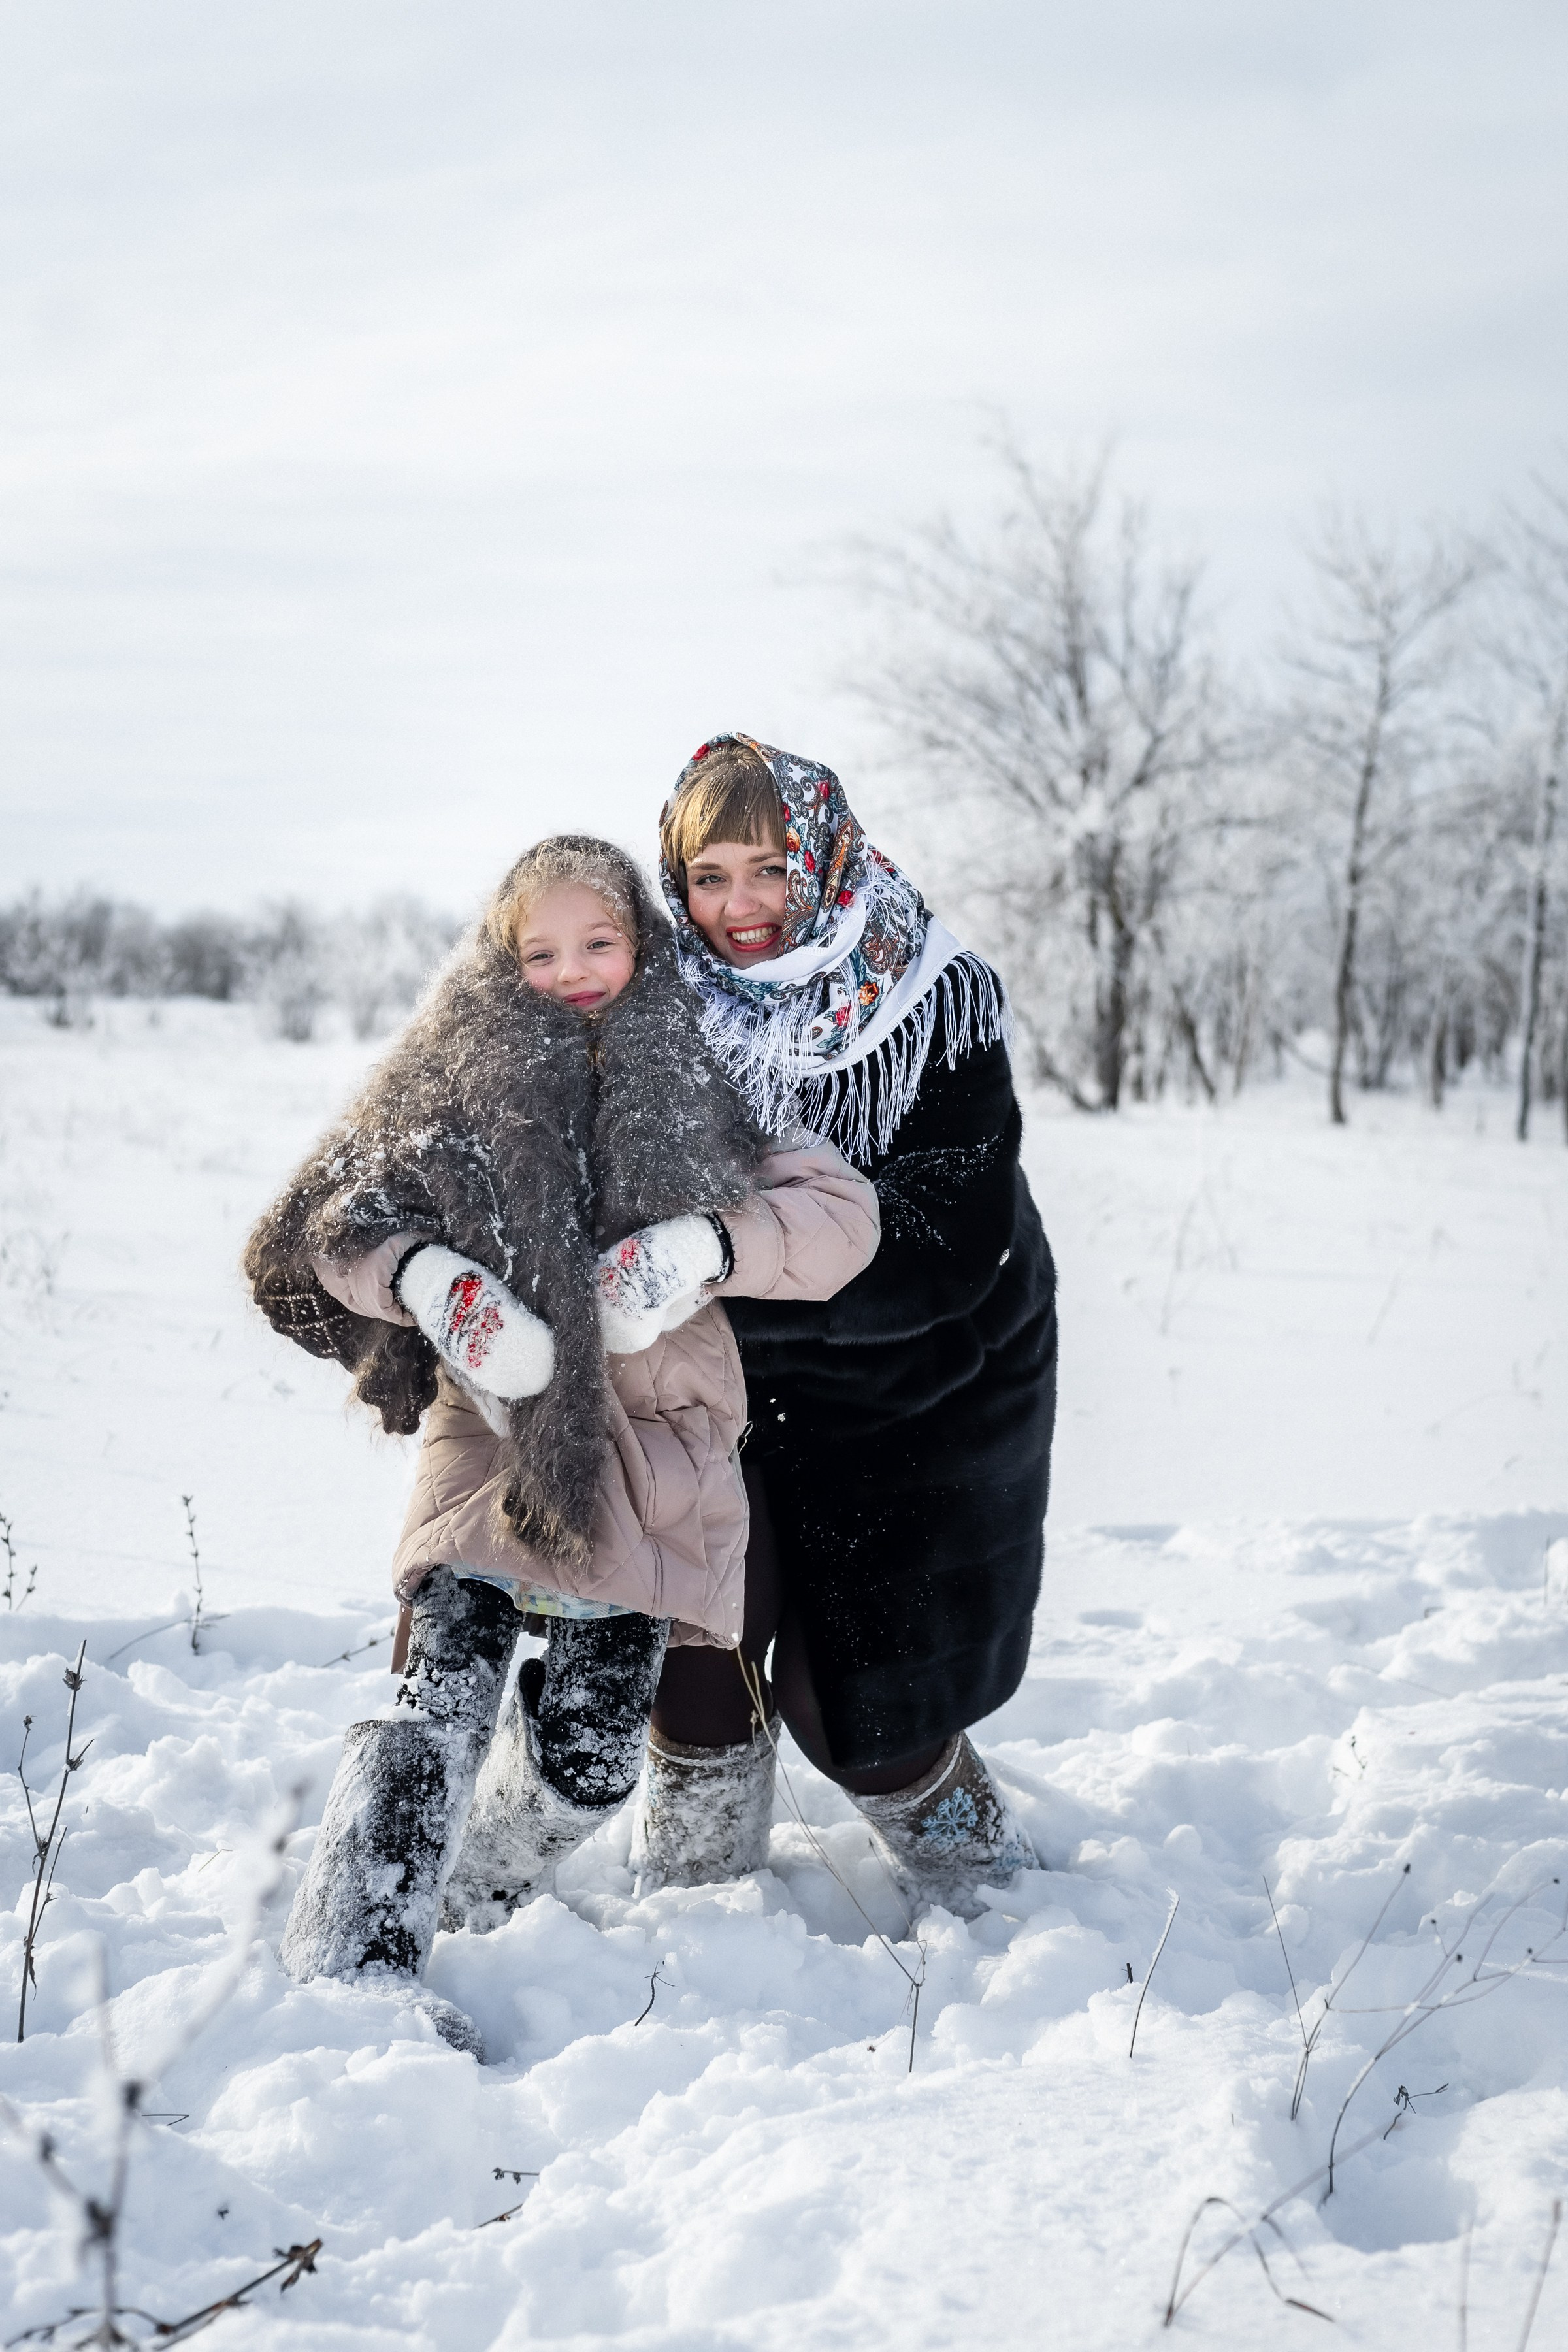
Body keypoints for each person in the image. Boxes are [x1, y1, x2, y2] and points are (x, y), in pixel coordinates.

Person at [244, 836, 877, 2036]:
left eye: (598, 942)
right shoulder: (447, 1078)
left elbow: (843, 1217)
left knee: (592, 1753)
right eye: (539, 951)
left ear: (639, 939)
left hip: (654, 1463)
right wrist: (430, 1281)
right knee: (439, 1696)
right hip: (491, 1441)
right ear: (501, 956)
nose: (572, 969)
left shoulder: (705, 1073)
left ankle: (475, 1885)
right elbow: (333, 1222)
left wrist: (706, 1247)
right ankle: (353, 1966)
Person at [647, 736, 1058, 1917]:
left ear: (821, 856)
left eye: (771, 869)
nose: (742, 908)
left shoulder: (936, 998)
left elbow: (948, 1239)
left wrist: (725, 1269)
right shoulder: (654, 1007)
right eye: (710, 875)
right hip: (727, 1381)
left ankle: (998, 1896)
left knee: (866, 1707)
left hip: (926, 1380)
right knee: (700, 1649)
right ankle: (692, 1923)